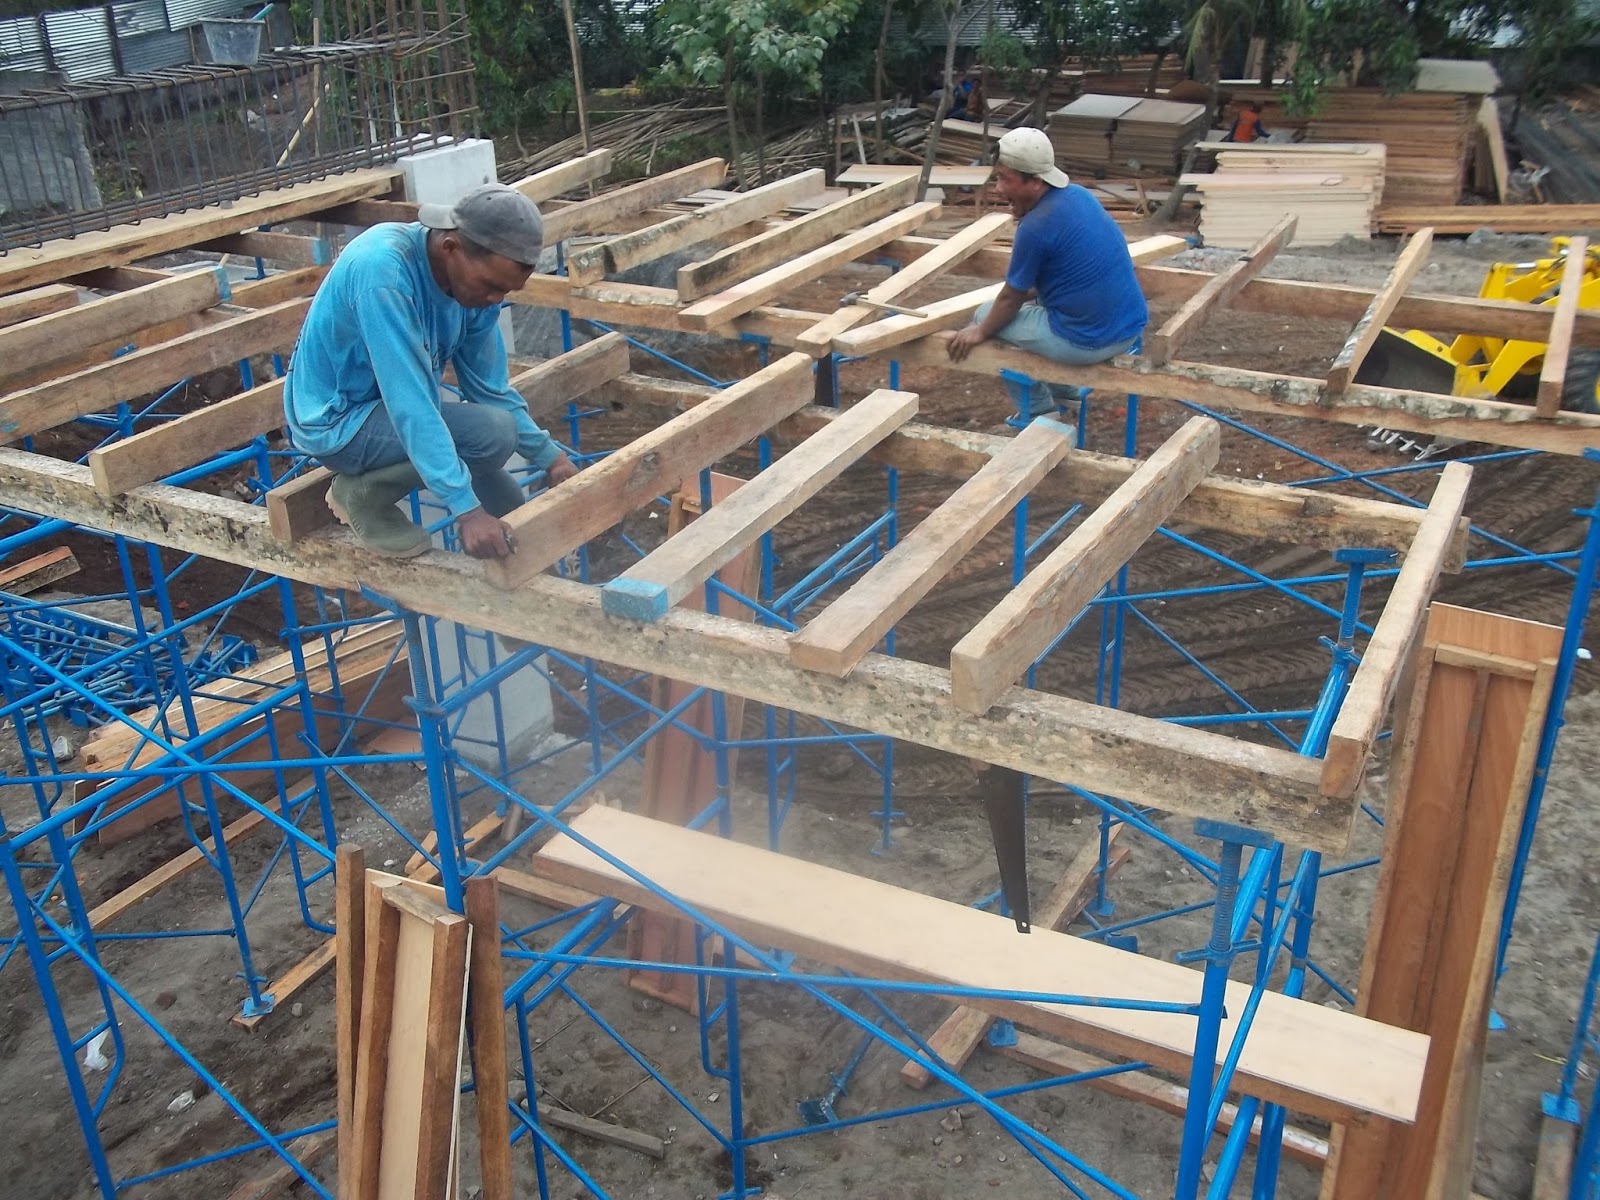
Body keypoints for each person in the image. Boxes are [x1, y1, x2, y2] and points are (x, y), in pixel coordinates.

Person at [284, 183, 577, 560]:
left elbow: (491, 391)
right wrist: (467, 510)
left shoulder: (474, 291)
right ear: (450, 247)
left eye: (505, 291)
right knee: (493, 435)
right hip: (338, 424)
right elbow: (411, 404)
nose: (494, 301)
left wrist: (552, 459)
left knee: (505, 488)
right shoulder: (383, 273)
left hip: (391, 410)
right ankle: (363, 495)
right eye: (490, 286)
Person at [945, 127, 1148, 413]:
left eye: (1005, 179)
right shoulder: (1078, 196)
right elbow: (1054, 279)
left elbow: (1010, 299)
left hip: (1089, 342)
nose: (999, 189)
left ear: (1036, 182)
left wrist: (980, 331)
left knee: (986, 317)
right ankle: (1066, 390)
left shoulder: (1035, 226)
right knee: (1029, 307)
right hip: (1128, 328)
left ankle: (1041, 411)